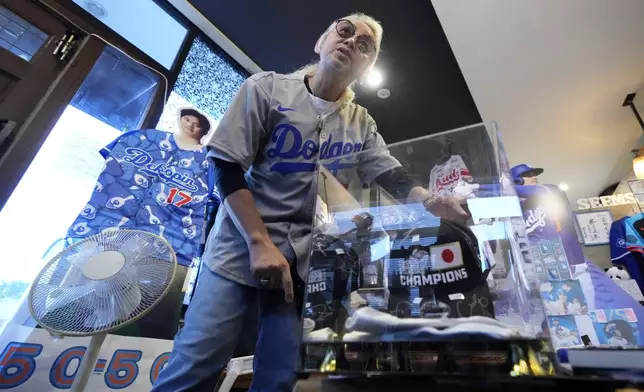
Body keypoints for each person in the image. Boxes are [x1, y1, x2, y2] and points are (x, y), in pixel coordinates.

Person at [152, 13, 465, 392]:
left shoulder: (360, 122)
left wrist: (431, 200)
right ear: (321, 41)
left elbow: (389, 173)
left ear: (366, 68)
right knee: (196, 364)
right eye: (344, 31)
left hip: (301, 266)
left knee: (280, 377)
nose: (351, 41)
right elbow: (226, 165)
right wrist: (259, 243)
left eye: (365, 45)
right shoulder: (265, 89)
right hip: (237, 250)